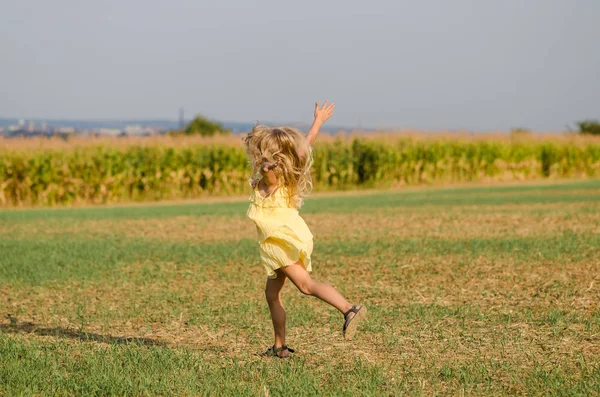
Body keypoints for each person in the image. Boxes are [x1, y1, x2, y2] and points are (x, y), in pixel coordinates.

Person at [243, 101, 366, 358]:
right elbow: (305, 145)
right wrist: (318, 121)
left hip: (281, 242)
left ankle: (348, 309)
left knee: (306, 285)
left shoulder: (273, 177)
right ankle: (279, 347)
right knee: (272, 294)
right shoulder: (290, 173)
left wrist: (266, 168)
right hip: (286, 238)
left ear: (272, 158)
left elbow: (268, 171)